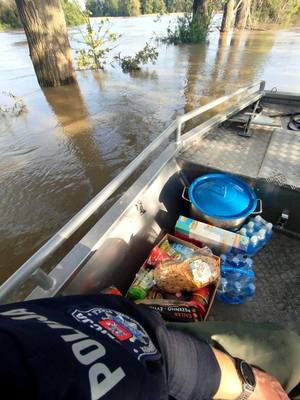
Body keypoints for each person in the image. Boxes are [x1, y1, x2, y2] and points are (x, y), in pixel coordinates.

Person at [0, 293, 295, 400]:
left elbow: (136, 334)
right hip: (160, 361)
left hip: (157, 349)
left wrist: (246, 382)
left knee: (289, 348)